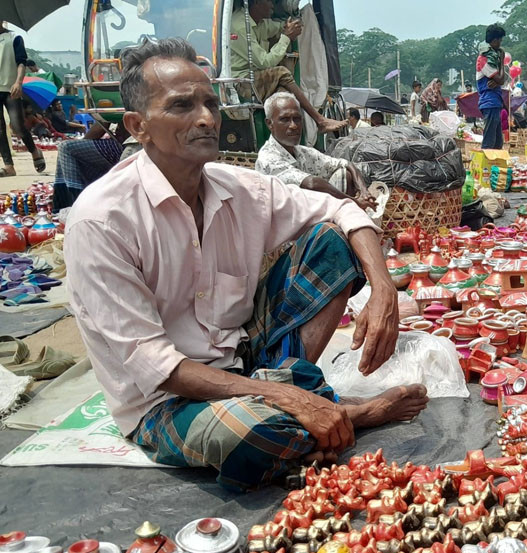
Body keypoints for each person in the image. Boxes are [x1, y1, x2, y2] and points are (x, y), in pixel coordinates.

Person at [64, 38, 428, 492]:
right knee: (253, 435)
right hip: (167, 400)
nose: (206, 118)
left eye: (210, 103)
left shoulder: (238, 188)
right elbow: (157, 368)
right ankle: (342, 411)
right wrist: (285, 395)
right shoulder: (102, 221)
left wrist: (383, 290)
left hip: (245, 362)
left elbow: (347, 212)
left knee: (332, 242)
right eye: (182, 106)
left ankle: (309, 410)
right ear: (138, 126)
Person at [230, 0, 344, 134]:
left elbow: (277, 27)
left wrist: (291, 26)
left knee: (284, 94)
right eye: (270, 1)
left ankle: (284, 141)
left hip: (256, 80)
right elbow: (265, 62)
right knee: (282, 73)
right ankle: (319, 120)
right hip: (243, 83)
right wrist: (286, 37)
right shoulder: (240, 26)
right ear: (257, 2)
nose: (273, 5)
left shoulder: (260, 22)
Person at [256, 92, 374, 211]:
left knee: (345, 173)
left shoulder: (303, 152)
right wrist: (353, 201)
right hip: (286, 223)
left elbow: (346, 163)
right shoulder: (268, 158)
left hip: (310, 214)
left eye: (297, 119)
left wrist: (364, 191)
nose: (293, 126)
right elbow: (311, 183)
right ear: (270, 123)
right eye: (284, 119)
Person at [53, 121, 131, 210]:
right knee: (70, 150)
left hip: (127, 145)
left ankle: (74, 204)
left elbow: (103, 121)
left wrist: (81, 146)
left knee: (66, 148)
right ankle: (67, 204)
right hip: (126, 142)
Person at [1, 22, 45, 176]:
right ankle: (9, 166)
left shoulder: (14, 38)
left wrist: (18, 82)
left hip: (10, 88)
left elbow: (21, 62)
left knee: (17, 125)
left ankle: (34, 151)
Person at [477, 24, 508, 151]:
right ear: (494, 40)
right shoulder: (483, 59)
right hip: (489, 102)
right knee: (489, 141)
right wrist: (501, 62)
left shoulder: (493, 56)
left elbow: (501, 79)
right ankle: (486, 167)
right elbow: (501, 79)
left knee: (497, 142)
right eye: (500, 40)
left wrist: (498, 81)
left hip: (496, 101)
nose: (500, 44)